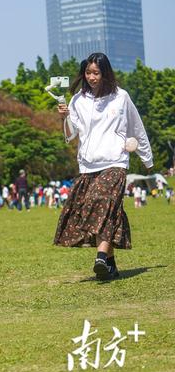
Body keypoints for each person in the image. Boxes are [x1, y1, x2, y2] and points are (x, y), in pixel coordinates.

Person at [55, 53, 153, 280]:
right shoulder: (78, 100)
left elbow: (136, 128)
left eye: (96, 73)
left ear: (105, 73)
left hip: (115, 161)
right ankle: (109, 264)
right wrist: (66, 117)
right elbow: (71, 136)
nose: (91, 77)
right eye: (88, 73)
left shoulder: (121, 97)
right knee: (109, 210)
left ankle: (100, 257)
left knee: (101, 201)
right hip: (88, 164)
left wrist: (147, 159)